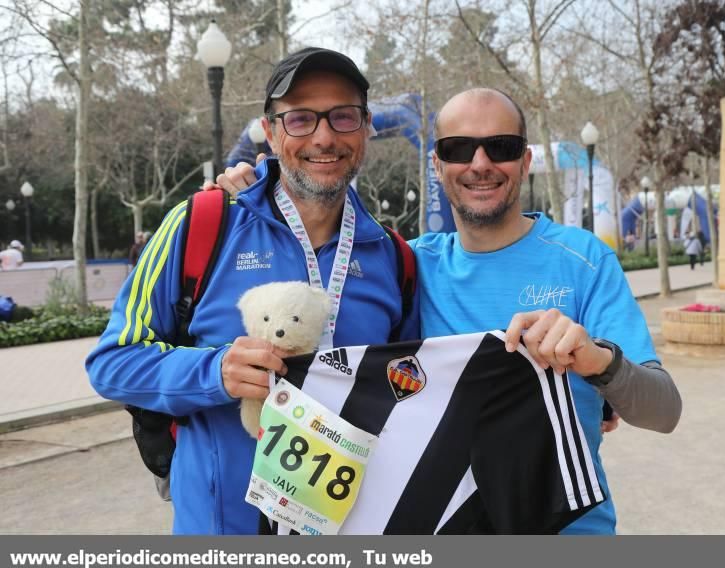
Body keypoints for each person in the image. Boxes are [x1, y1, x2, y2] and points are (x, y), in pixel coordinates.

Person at [216, 88, 682, 535]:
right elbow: (314, 267)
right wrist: (258, 197)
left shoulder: (583, 259)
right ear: (437, 165)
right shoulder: (405, 265)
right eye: (460, 149)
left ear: (525, 160)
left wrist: (595, 359)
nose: (480, 164)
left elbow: (663, 411)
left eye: (500, 146)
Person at [86, 47, 419, 535]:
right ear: (271, 131)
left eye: (343, 117)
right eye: (301, 119)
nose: (324, 137)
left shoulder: (394, 257)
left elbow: (409, 391)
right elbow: (111, 362)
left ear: (366, 128)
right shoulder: (201, 225)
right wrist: (214, 371)